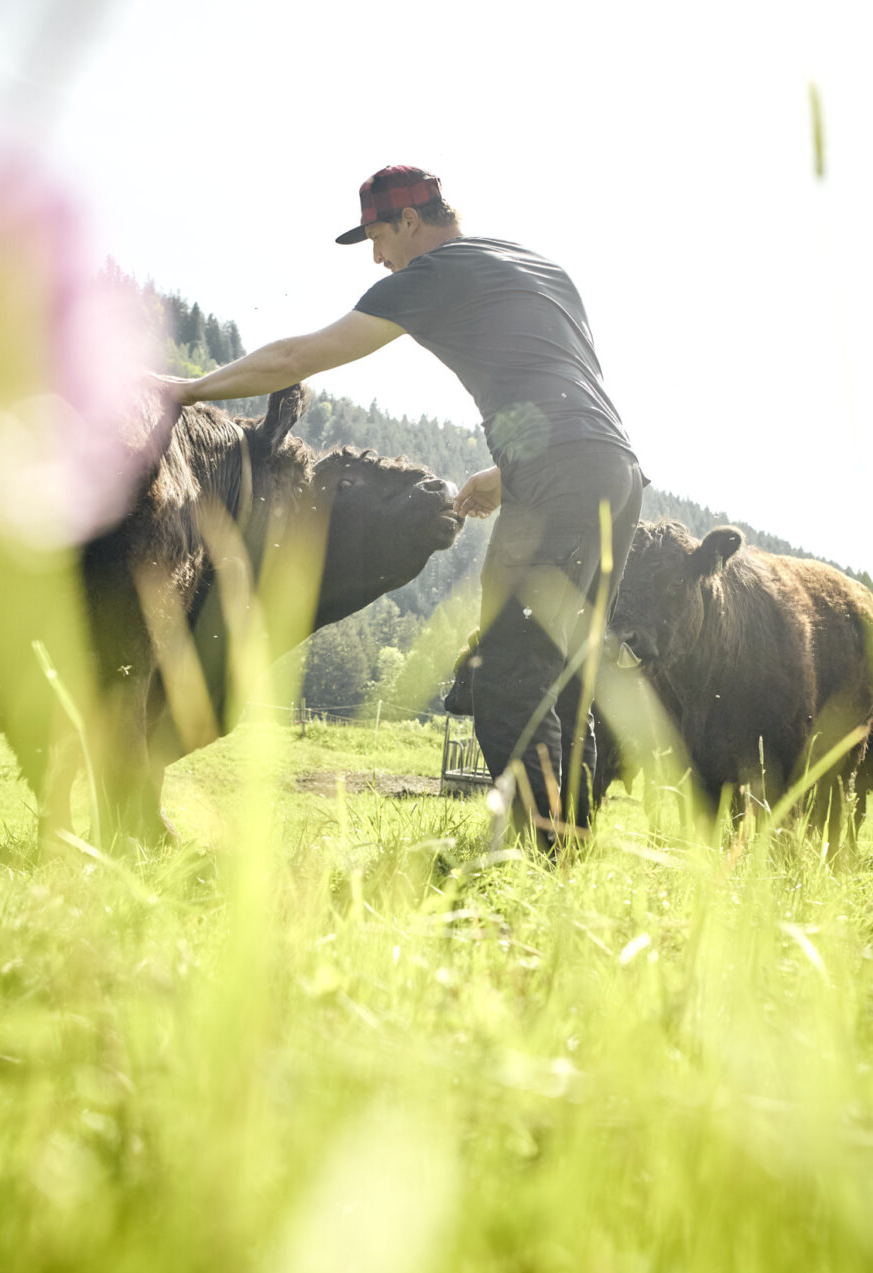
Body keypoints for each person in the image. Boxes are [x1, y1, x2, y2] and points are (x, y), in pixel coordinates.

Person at [163, 165, 645, 847]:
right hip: (615, 475)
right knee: (567, 677)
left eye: (379, 237)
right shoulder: (541, 267)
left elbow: (303, 355)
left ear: (412, 222)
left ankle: (547, 857)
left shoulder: (432, 274)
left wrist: (186, 391)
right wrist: (501, 473)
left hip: (560, 478)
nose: (377, 257)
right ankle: (565, 862)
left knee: (506, 673)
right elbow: (566, 394)